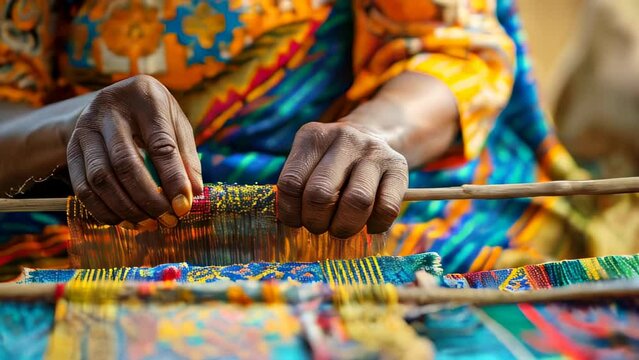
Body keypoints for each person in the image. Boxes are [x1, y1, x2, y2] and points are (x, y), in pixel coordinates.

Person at [0, 0, 596, 280]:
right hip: (98, 207)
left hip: (336, 205)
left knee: (465, 285)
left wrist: (373, 134)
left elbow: (452, 46)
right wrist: (78, 122)